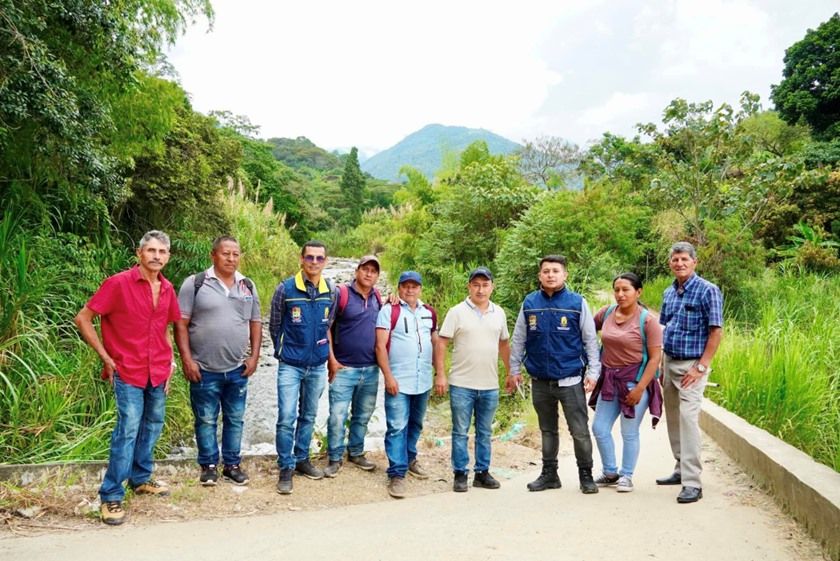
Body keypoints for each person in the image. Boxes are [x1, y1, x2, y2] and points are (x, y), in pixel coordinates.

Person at [74, 230, 181, 526]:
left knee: (153, 424)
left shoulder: (168, 288)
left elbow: (164, 329)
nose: (156, 256)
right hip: (127, 369)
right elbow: (83, 318)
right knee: (128, 429)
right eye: (151, 251)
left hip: (158, 369)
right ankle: (110, 494)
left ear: (168, 257)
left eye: (162, 252)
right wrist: (106, 357)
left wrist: (170, 363)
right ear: (139, 253)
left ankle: (141, 478)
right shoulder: (118, 284)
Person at [174, 236, 262, 487]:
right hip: (203, 368)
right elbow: (180, 324)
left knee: (235, 418)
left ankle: (232, 465)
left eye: (235, 254)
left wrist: (254, 356)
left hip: (238, 368)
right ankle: (209, 466)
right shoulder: (196, 283)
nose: (231, 259)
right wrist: (187, 360)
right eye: (226, 254)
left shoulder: (247, 285)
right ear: (213, 255)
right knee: (205, 418)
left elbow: (255, 323)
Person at [509, 255, 601, 494]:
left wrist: (593, 371)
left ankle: (586, 475)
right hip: (540, 380)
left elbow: (590, 340)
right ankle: (550, 474)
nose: (550, 275)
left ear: (565, 275)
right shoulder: (530, 303)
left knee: (579, 430)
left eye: (555, 271)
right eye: (546, 271)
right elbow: (519, 338)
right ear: (540, 275)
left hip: (570, 379)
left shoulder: (576, 302)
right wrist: (514, 369)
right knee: (547, 429)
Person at [656, 242, 723, 504]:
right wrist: (661, 363)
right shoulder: (668, 292)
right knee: (672, 417)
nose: (679, 263)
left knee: (688, 419)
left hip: (692, 366)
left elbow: (716, 331)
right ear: (670, 263)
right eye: (675, 260)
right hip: (670, 361)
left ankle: (693, 483)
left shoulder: (708, 290)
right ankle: (680, 467)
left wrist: (702, 366)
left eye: (684, 259)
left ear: (694, 262)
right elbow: (664, 328)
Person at [434, 267, 511, 493]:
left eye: (485, 285)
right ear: (469, 286)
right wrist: (441, 374)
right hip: (461, 383)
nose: (480, 289)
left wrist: (510, 372)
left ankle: (482, 473)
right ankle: (460, 473)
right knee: (460, 430)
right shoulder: (456, 312)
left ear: (492, 287)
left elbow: (504, 344)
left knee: (485, 431)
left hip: (489, 384)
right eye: (476, 285)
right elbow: (441, 342)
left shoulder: (499, 313)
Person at [269, 240, 334, 495]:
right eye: (310, 257)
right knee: (286, 417)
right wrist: (282, 352)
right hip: (290, 365)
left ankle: (301, 459)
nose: (314, 262)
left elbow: (328, 325)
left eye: (319, 258)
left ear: (325, 262)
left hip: (317, 365)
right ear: (301, 259)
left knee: (308, 415)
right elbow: (274, 325)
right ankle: (285, 467)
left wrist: (323, 354)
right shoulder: (285, 289)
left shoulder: (332, 291)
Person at [589, 273, 663, 493]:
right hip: (610, 381)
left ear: (638, 292)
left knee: (629, 432)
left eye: (626, 290)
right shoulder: (606, 313)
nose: (620, 295)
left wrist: (640, 389)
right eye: (617, 290)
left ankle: (626, 475)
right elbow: (586, 333)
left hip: (635, 382)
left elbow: (655, 359)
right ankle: (610, 472)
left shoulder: (648, 321)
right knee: (599, 428)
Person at [375, 271, 439, 499]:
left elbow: (435, 342)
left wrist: (440, 373)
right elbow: (380, 347)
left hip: (422, 380)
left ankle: (410, 458)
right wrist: (388, 377)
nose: (410, 290)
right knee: (396, 427)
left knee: (416, 423)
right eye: (405, 286)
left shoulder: (429, 312)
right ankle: (396, 473)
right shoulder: (388, 311)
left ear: (420, 288)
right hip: (399, 381)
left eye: (414, 286)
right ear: (399, 288)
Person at [323, 255, 384, 477]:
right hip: (344, 368)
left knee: (363, 415)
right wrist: (332, 360)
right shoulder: (342, 294)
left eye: (373, 271)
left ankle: (356, 452)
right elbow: (326, 327)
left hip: (370, 369)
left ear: (377, 276)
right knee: (337, 415)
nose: (369, 274)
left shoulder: (378, 297)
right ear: (357, 271)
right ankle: (335, 457)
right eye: (365, 269)